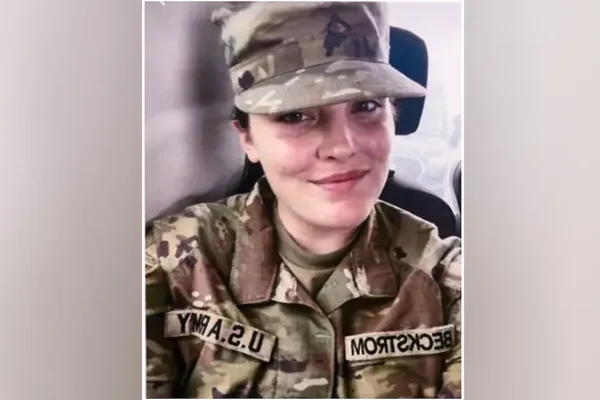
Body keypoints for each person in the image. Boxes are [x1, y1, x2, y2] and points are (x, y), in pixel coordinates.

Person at [145, 2, 462, 398]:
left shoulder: (447, 281)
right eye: (295, 115)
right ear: (247, 137)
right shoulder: (172, 263)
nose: (342, 146)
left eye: (366, 106)